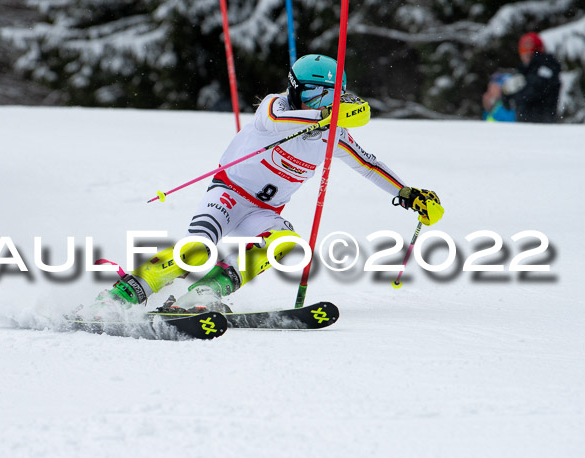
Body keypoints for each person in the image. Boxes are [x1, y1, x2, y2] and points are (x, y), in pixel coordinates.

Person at [104, 54, 443, 311]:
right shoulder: (274, 107)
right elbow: (277, 118)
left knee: (286, 245)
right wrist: (327, 114)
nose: (321, 103)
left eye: (330, 96)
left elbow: (369, 166)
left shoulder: (333, 135)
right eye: (313, 94)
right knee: (196, 250)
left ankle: (203, 296)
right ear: (295, 90)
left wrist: (408, 194)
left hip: (263, 211)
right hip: (228, 195)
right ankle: (119, 297)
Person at [501, 32, 561, 123]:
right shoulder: (525, 71)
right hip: (526, 124)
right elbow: (510, 104)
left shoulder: (546, 68)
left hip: (542, 125)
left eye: (529, 50)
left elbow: (532, 93)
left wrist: (515, 94)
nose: (524, 54)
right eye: (522, 50)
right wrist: (506, 92)